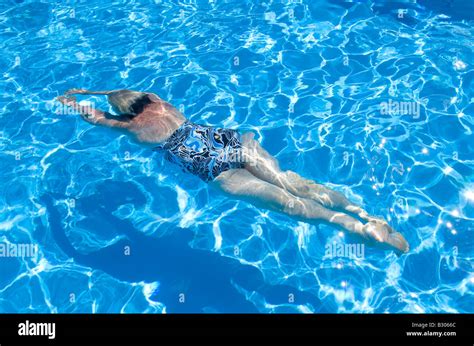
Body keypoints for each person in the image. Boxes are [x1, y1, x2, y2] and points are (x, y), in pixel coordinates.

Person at [57, 89, 409, 254]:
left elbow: (93, 115)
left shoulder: (129, 126)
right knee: (292, 181)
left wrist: (72, 101)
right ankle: (361, 213)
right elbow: (118, 94)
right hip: (227, 141)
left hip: (211, 167)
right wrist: (95, 89)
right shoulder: (158, 100)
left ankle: (353, 227)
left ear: (122, 110)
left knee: (286, 203)